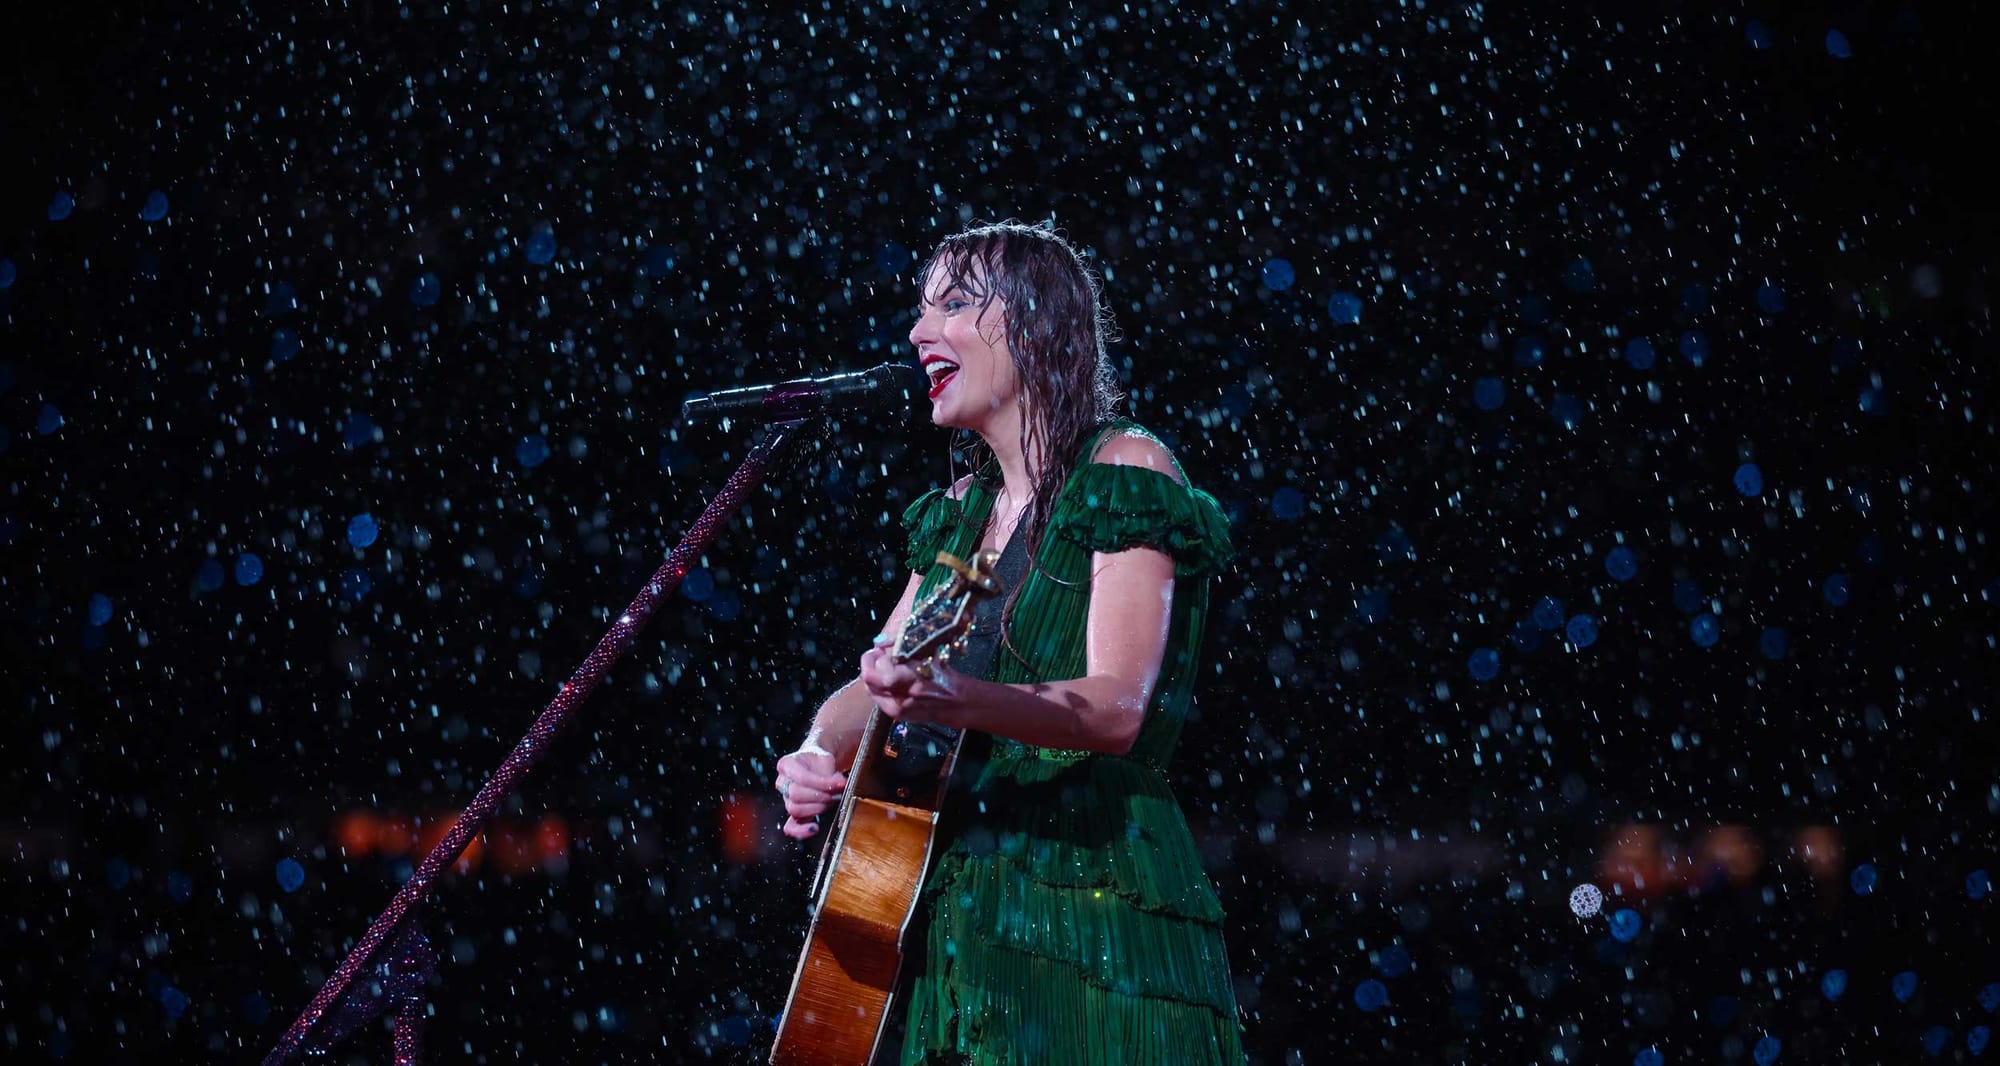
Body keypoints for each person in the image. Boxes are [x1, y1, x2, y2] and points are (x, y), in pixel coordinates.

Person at [773, 221, 1244, 1065]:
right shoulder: (960, 507)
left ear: (1034, 323)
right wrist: (817, 749)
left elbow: (1116, 709)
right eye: (919, 309)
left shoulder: (1126, 467)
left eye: (954, 304)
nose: (919, 332)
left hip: (1092, 904)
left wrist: (959, 699)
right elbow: (873, 682)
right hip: (954, 912)